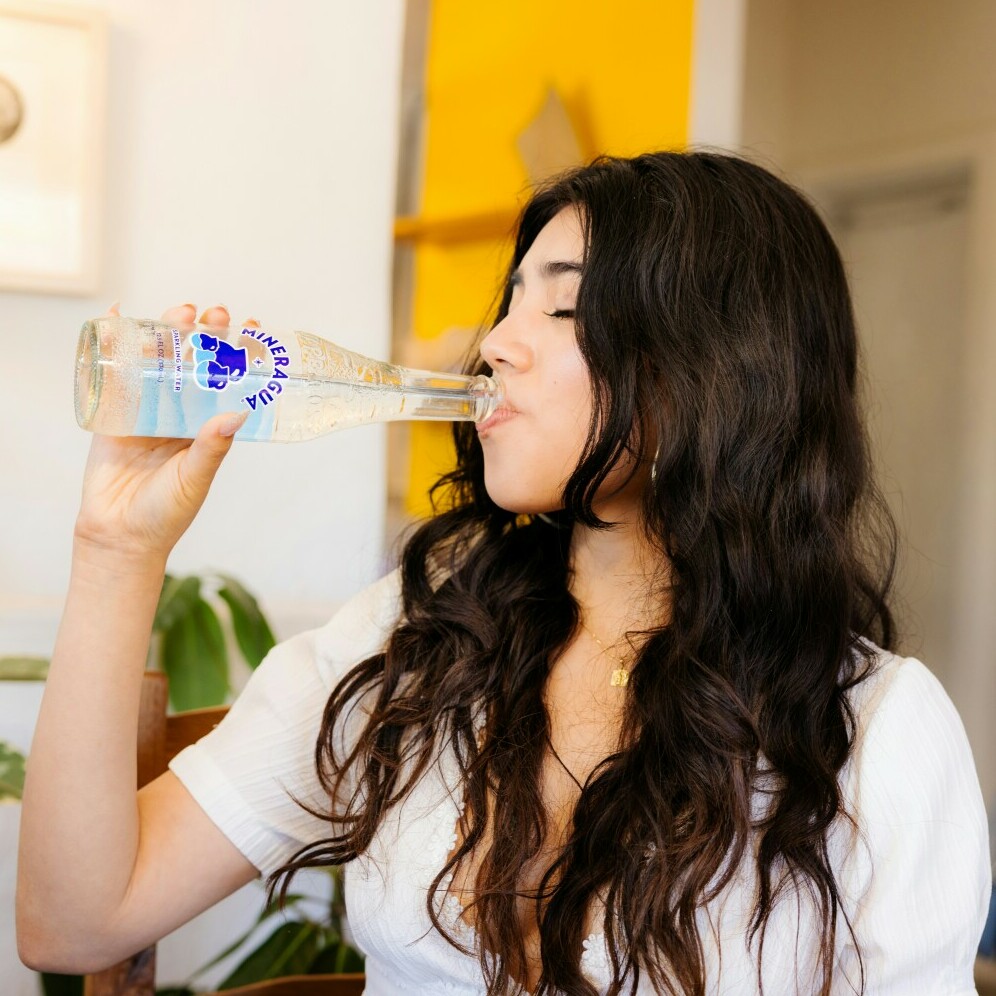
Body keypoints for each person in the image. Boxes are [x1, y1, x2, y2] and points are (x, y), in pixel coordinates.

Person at [16, 151, 991, 996]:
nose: (493, 344)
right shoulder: (417, 639)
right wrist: (117, 548)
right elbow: (76, 922)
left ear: (718, 369)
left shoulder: (875, 733)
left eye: (565, 306)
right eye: (510, 300)